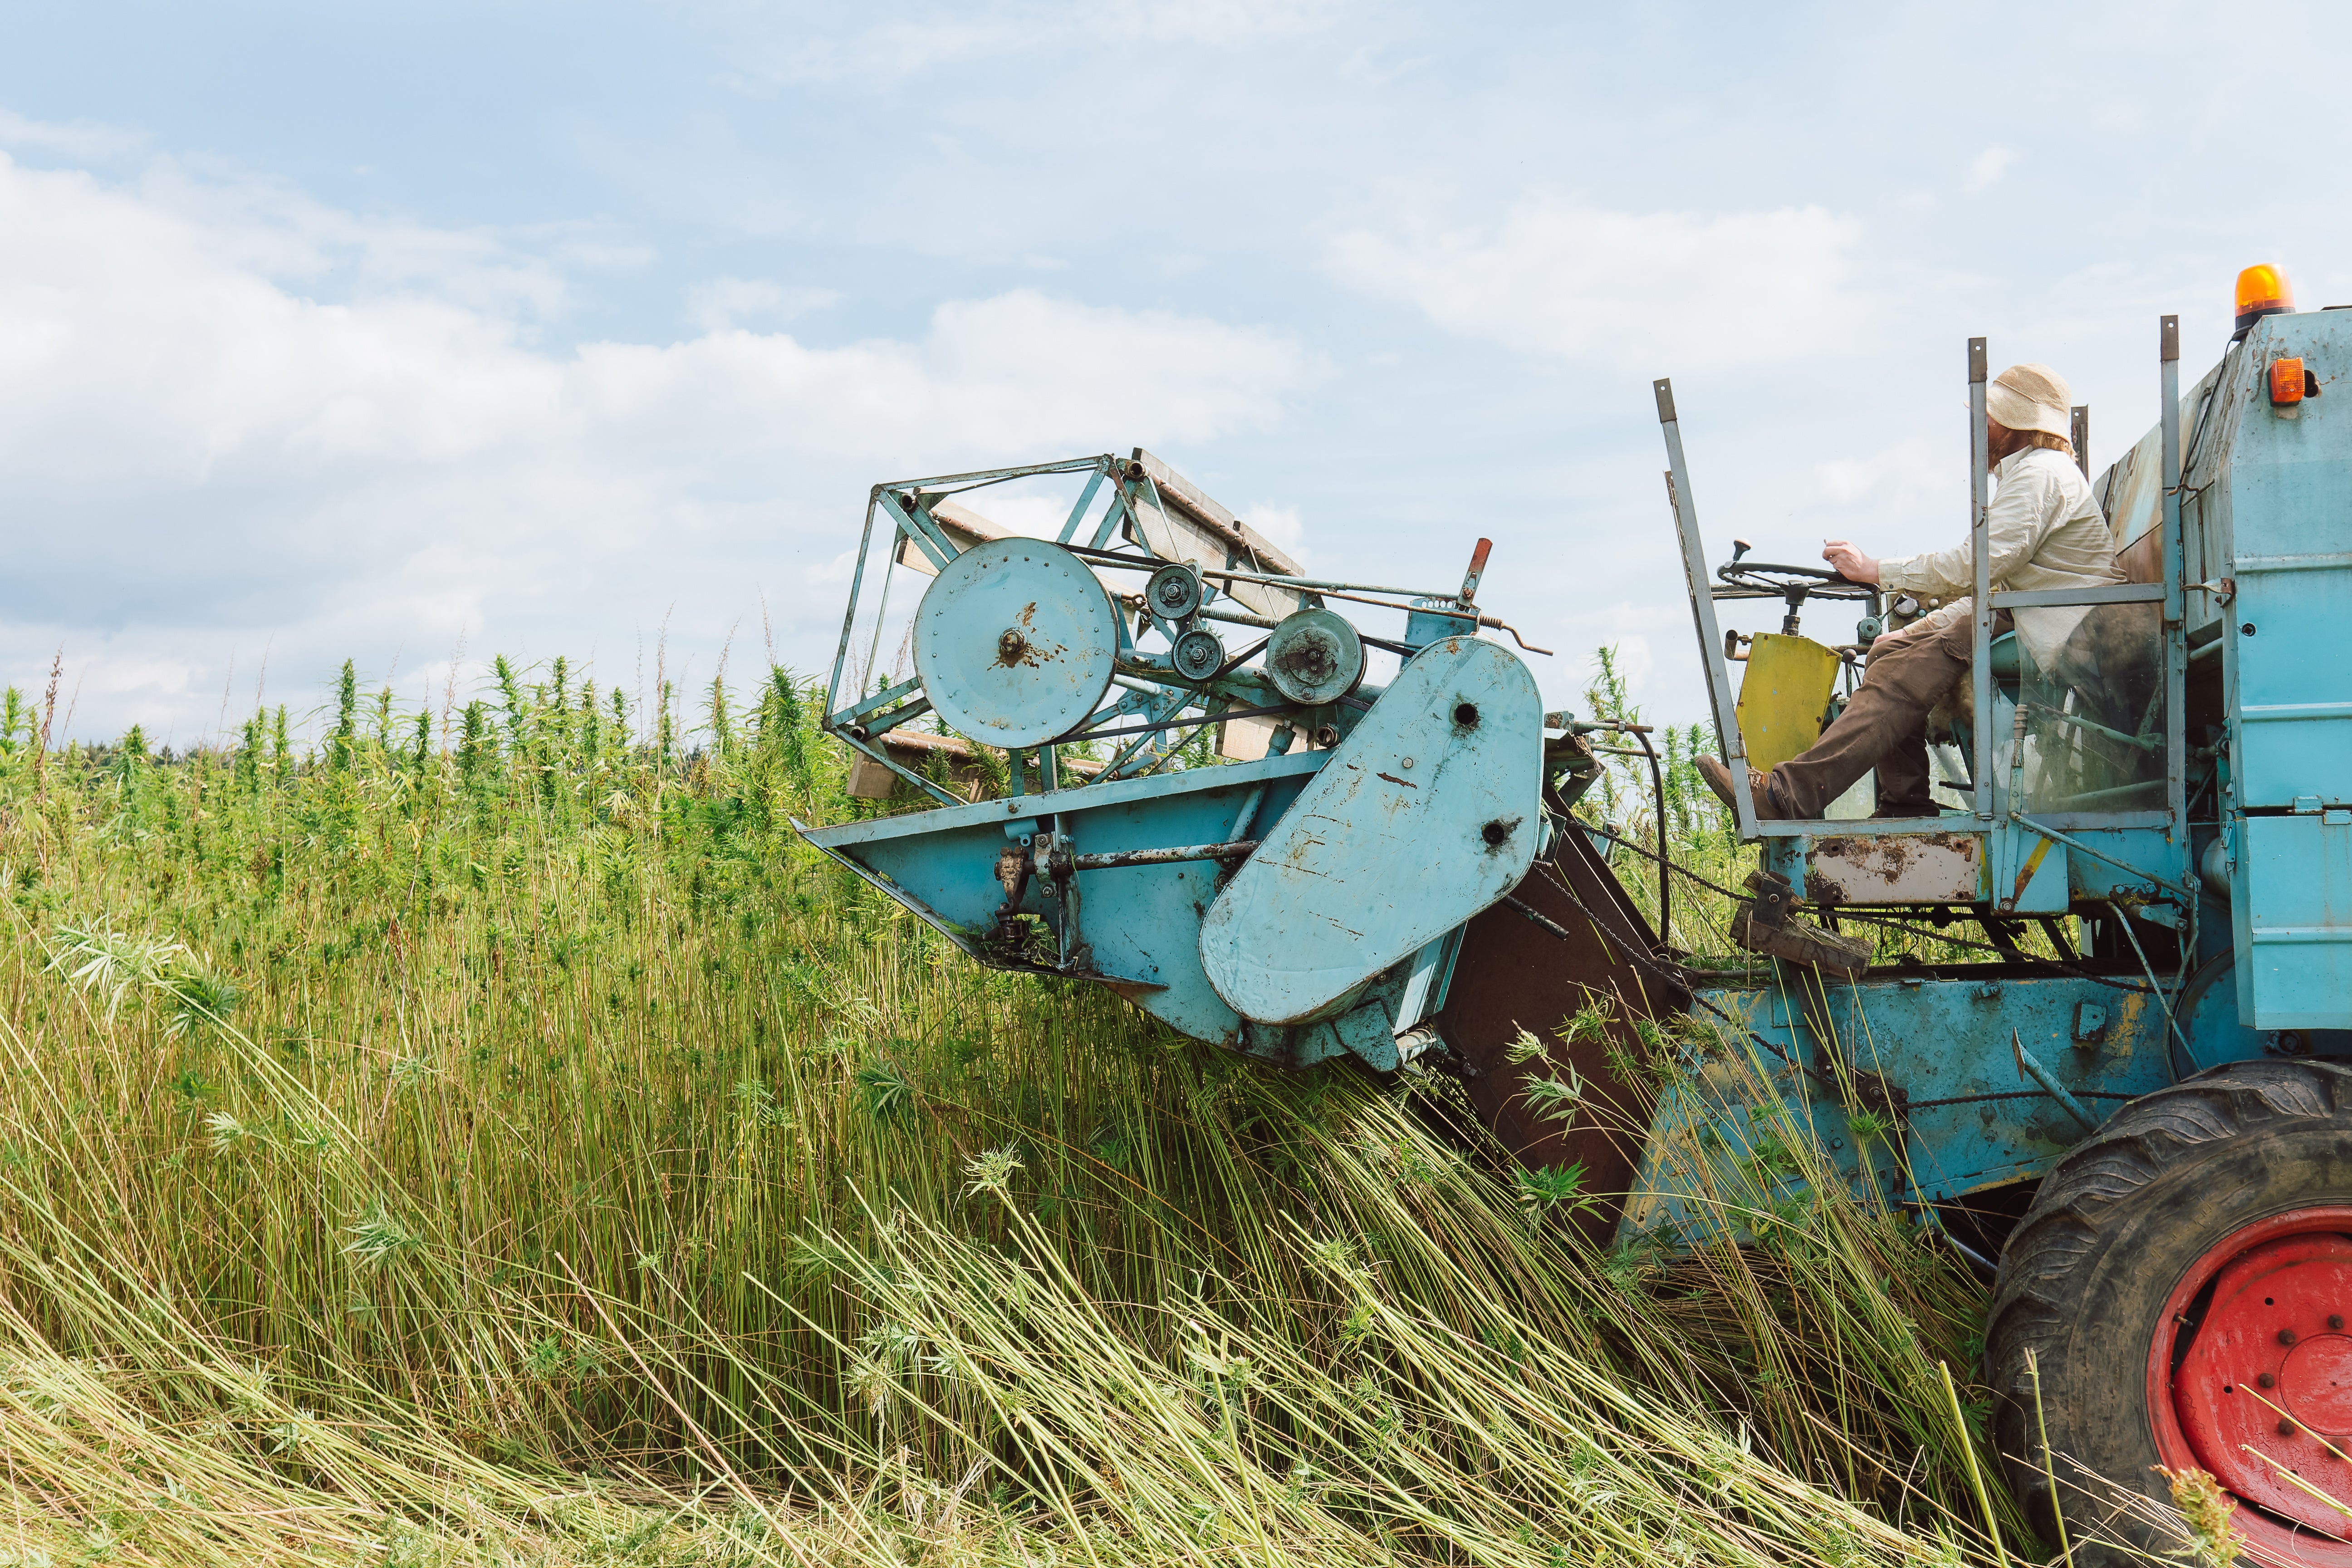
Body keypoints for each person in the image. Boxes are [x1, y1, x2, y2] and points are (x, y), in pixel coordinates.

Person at [1697, 363, 2122, 820]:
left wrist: (1874, 570)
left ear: (2019, 423)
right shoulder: (2030, 476)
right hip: (2023, 611)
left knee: (1904, 674)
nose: (1978, 426)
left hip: (2071, 625)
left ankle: (1787, 797)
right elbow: (1992, 585)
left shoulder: (2041, 475)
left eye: (1989, 416)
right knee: (1886, 654)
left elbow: (1972, 568)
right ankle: (1903, 803)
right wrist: (1910, 632)